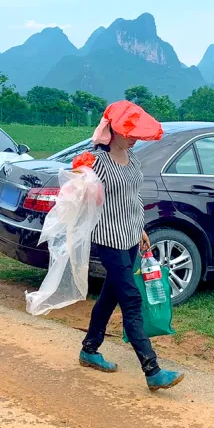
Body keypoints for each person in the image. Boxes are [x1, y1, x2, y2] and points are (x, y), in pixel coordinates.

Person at [76, 102, 184, 392]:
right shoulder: (97, 161)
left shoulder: (133, 159)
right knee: (131, 299)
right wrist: (80, 170)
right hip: (109, 239)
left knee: (109, 298)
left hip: (130, 239)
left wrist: (142, 229)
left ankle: (89, 348)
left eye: (136, 132)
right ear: (113, 131)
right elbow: (77, 189)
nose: (134, 137)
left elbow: (135, 198)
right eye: (129, 132)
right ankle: (152, 370)